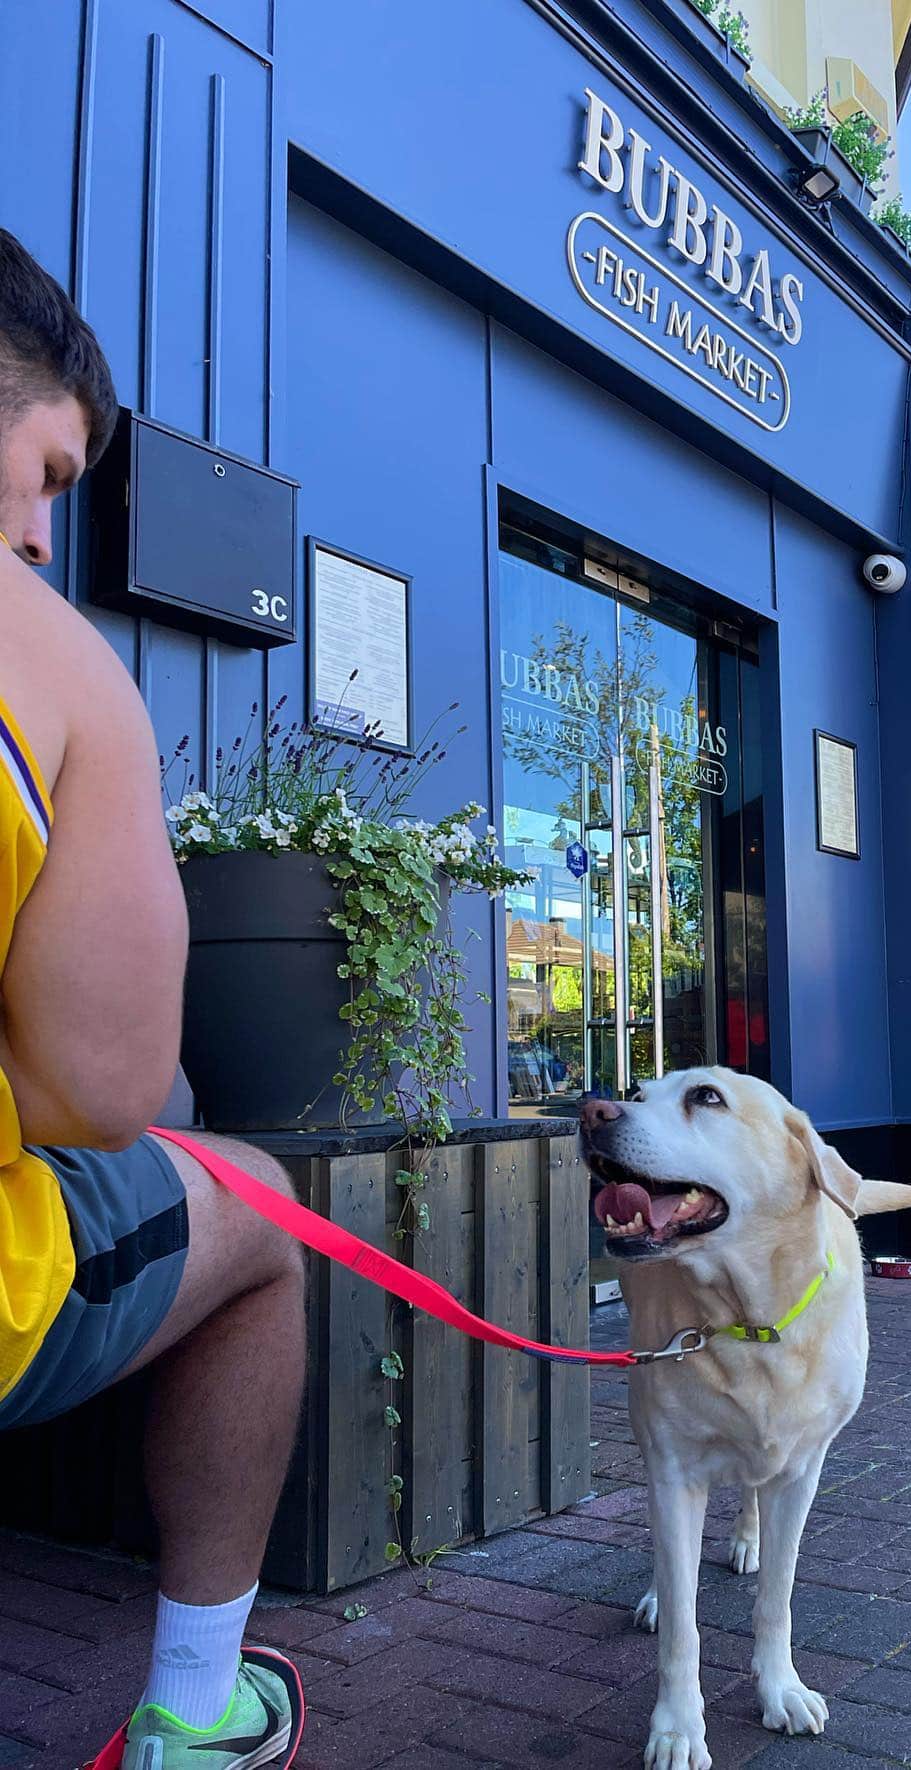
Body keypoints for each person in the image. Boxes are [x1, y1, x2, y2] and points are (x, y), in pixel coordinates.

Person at [0, 229, 306, 1768]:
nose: (44, 533)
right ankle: (195, 1708)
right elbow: (101, 1093)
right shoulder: (55, 668)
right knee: (258, 1211)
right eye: (48, 472)